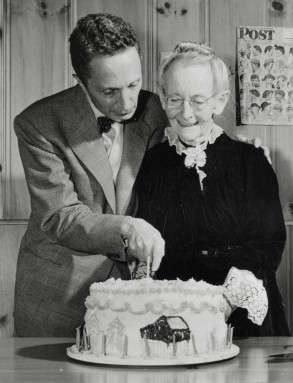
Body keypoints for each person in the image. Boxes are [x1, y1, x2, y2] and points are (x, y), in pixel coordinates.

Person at [13, 13, 269, 337]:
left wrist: (240, 153)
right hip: (56, 297)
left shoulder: (154, 108)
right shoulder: (39, 123)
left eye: (134, 84)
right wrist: (125, 226)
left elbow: (194, 135)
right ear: (80, 80)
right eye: (109, 91)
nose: (127, 103)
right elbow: (59, 215)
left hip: (134, 300)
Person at [134, 42, 290, 337]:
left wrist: (223, 302)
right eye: (175, 99)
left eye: (198, 101)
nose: (186, 113)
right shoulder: (153, 163)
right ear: (163, 99)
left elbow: (267, 245)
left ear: (219, 102)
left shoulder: (250, 161)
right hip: (176, 310)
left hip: (241, 310)